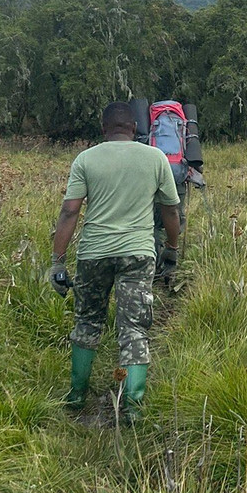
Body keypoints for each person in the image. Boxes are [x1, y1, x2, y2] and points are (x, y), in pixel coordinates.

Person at [49, 101, 181, 418]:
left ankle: (76, 397)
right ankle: (132, 408)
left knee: (87, 323)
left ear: (103, 128)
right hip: (138, 253)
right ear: (135, 129)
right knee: (134, 329)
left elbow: (70, 211)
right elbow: (170, 210)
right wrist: (172, 248)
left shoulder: (85, 159)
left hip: (94, 253)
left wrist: (58, 261)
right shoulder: (155, 158)